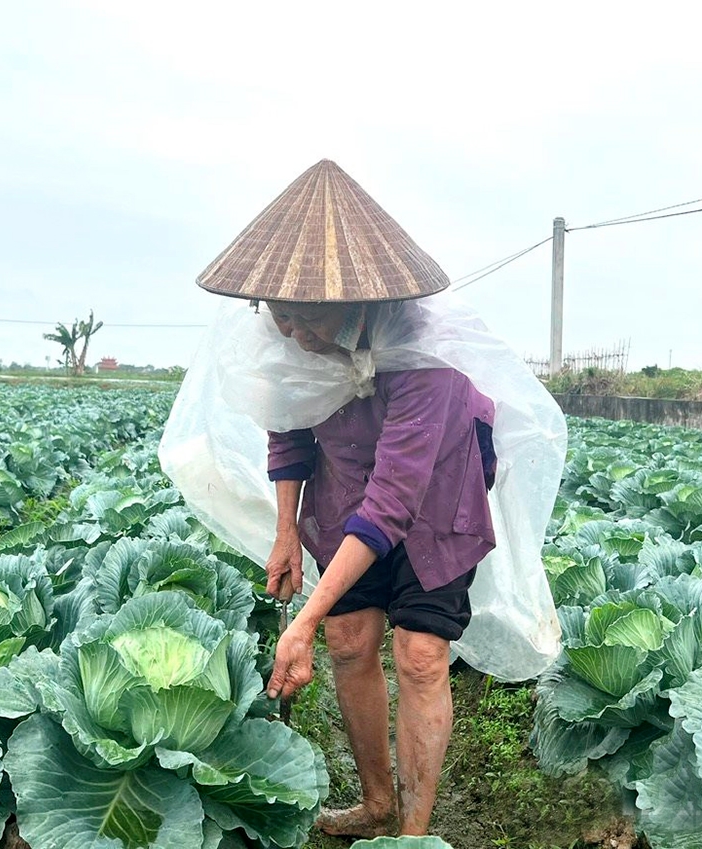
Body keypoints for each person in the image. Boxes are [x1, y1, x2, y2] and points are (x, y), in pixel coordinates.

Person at [191, 160, 502, 838]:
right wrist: (284, 528)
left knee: (422, 654)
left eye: (308, 318)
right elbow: (290, 435)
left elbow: (394, 498)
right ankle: (377, 802)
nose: (294, 333)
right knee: (350, 638)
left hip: (434, 506)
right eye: (279, 315)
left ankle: (412, 833)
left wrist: (300, 618)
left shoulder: (428, 360)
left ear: (358, 302)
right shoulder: (288, 345)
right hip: (341, 495)